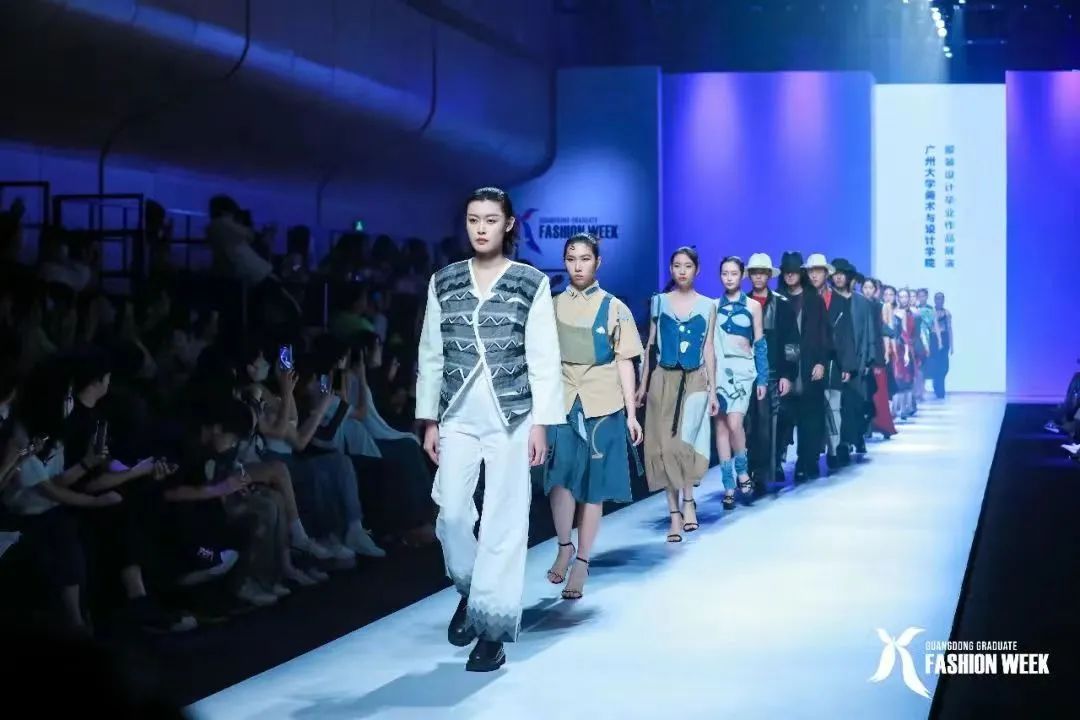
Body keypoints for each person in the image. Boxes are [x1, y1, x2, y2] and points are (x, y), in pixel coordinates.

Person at [416, 186, 563, 672]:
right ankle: (471, 588)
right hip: (456, 414)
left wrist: (542, 424)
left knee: (505, 520)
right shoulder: (444, 281)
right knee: (452, 515)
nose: (481, 228)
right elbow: (431, 354)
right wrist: (429, 419)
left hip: (513, 416)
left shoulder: (529, 282)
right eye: (473, 219)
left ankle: (492, 632)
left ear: (509, 224)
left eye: (490, 219)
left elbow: (543, 357)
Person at [543, 233, 643, 601]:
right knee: (559, 480)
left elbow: (625, 361)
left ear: (597, 262)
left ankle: (582, 562)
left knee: (593, 486)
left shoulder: (615, 307)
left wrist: (632, 414)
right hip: (562, 400)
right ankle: (564, 545)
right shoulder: (551, 306)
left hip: (603, 403)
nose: (578, 265)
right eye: (571, 259)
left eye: (585, 258)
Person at [638, 247, 717, 541]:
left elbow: (708, 348)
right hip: (663, 379)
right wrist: (642, 385)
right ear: (671, 269)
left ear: (697, 270)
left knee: (682, 445)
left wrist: (713, 390)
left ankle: (688, 502)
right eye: (677, 266)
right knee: (664, 448)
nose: (682, 271)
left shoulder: (708, 305)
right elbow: (650, 346)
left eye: (687, 266)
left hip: (695, 380)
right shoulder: (659, 302)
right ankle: (674, 515)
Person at [712, 256, 768, 508]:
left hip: (744, 371)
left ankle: (742, 471)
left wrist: (763, 378)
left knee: (735, 423)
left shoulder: (753, 306)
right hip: (719, 371)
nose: (729, 278)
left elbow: (760, 343)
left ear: (742, 275)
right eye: (725, 273)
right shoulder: (713, 306)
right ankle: (728, 485)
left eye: (734, 273)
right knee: (721, 427)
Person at [775, 253, 831, 482]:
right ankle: (777, 462)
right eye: (786, 271)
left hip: (810, 362)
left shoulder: (813, 300)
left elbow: (824, 334)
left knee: (810, 417)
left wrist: (821, 362)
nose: (790, 275)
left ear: (801, 273)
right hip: (785, 364)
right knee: (784, 416)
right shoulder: (778, 300)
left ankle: (806, 460)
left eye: (794, 271)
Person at [744, 253, 796, 489]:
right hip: (746, 372)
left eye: (762, 272)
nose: (758, 277)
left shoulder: (782, 305)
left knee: (772, 423)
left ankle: (768, 466)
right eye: (754, 273)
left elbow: (792, 342)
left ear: (768, 275)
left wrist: (788, 374)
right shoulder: (742, 303)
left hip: (774, 372)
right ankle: (754, 467)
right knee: (750, 425)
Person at [806, 254, 857, 470]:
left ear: (827, 273)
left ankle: (833, 450)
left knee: (833, 408)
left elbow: (846, 335)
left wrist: (847, 365)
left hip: (833, 362)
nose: (814, 275)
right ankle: (810, 455)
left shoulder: (840, 302)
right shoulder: (802, 299)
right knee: (811, 411)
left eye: (818, 270)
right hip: (808, 362)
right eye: (811, 271)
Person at [829, 259, 878, 459]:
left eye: (843, 274)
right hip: (835, 360)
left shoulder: (861, 302)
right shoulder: (828, 299)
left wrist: (869, 359)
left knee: (856, 402)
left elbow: (869, 331)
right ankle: (842, 442)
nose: (839, 277)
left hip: (858, 360)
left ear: (849, 277)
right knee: (836, 404)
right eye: (836, 273)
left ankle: (856, 437)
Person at [929, 292, 953, 398]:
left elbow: (950, 328)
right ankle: (939, 390)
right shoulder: (931, 312)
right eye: (937, 298)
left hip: (945, 337)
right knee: (936, 366)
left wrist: (952, 345)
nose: (939, 300)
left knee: (944, 366)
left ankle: (939, 388)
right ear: (934, 300)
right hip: (934, 339)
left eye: (941, 298)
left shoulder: (947, 313)